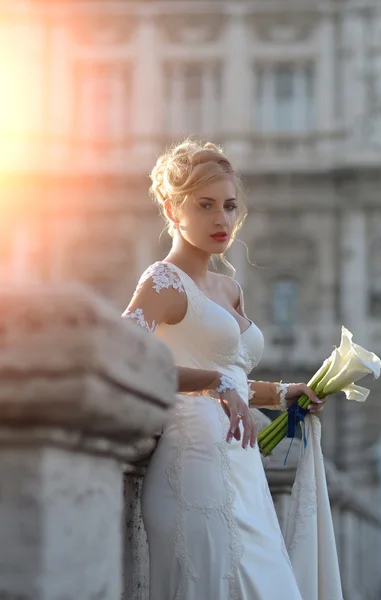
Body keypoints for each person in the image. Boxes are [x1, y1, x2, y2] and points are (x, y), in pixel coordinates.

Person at [122, 140, 325, 600]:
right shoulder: (162, 280)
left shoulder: (229, 288)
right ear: (174, 210)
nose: (222, 220)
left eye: (230, 206)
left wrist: (285, 393)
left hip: (241, 464)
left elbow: (230, 378)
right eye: (205, 205)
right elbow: (125, 358)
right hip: (191, 463)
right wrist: (212, 383)